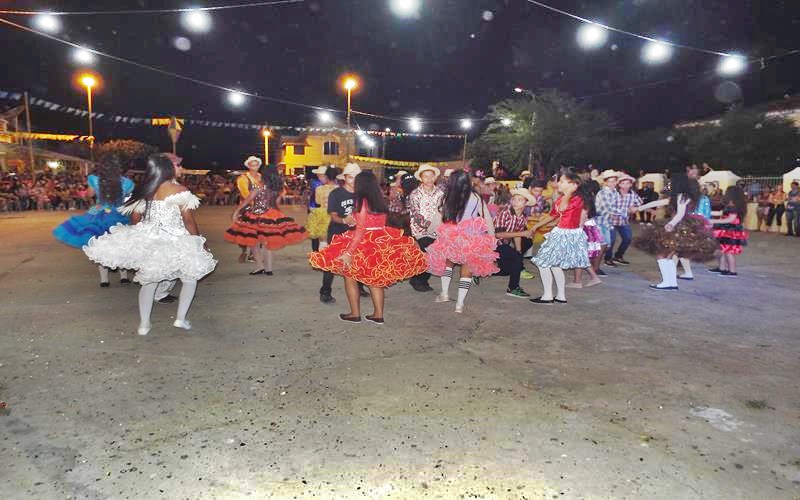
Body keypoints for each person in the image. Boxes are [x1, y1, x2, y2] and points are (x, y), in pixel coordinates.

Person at [83, 154, 217, 335]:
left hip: (152, 239)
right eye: (177, 166)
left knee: (149, 282)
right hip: (177, 239)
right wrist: (199, 241)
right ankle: (180, 319)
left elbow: (135, 218)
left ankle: (144, 324)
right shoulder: (179, 190)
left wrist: (143, 233)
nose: (180, 168)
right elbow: (188, 221)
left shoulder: (145, 190)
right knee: (189, 279)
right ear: (167, 169)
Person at [309, 171, 427, 324]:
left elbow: (360, 230)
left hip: (363, 242)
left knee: (350, 277)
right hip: (380, 240)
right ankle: (378, 315)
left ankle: (355, 314)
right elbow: (375, 222)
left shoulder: (361, 202)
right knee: (375, 279)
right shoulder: (380, 201)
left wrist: (349, 252)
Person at [53, 154, 135, 287]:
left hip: (98, 213)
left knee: (100, 245)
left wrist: (89, 194)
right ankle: (124, 277)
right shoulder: (127, 182)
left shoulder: (94, 179)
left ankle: (104, 280)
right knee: (120, 244)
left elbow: (89, 195)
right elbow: (128, 199)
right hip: (119, 214)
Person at [425, 170, 498, 313]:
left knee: (448, 263)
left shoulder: (447, 196)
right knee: (468, 267)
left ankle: (444, 294)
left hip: (451, 234)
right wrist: (492, 236)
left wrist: (429, 231)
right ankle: (459, 304)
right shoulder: (476, 197)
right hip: (472, 235)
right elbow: (487, 218)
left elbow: (438, 217)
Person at [634, 173, 717, 290]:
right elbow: (659, 203)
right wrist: (639, 208)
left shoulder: (682, 196)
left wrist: (671, 224)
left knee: (662, 255)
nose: (670, 184)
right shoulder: (685, 196)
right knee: (669, 255)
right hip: (683, 227)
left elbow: (680, 213)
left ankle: (668, 282)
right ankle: (671, 282)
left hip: (679, 228)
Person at [225, 164, 307, 275]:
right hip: (272, 214)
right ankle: (269, 269)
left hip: (256, 215)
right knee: (268, 242)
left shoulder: (259, 186)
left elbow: (248, 200)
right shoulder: (279, 189)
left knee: (253, 241)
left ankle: (259, 266)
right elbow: (276, 203)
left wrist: (237, 211)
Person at [528, 171, 590, 304]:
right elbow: (553, 215)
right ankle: (560, 296)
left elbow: (563, 208)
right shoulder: (563, 198)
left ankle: (547, 296)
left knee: (543, 263)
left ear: (573, 185)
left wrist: (567, 194)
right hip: (561, 232)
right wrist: (536, 226)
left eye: (562, 181)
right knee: (554, 265)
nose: (558, 184)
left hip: (565, 234)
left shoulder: (576, 199)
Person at [318, 163, 368, 304]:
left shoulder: (362, 194)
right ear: (345, 177)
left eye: (356, 177)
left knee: (359, 259)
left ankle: (359, 287)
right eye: (351, 177)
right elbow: (333, 215)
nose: (354, 180)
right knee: (333, 262)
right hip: (337, 231)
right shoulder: (336, 194)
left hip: (357, 233)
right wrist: (344, 220)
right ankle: (325, 291)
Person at [407, 164, 445, 292]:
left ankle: (422, 279)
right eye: (425, 176)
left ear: (435, 177)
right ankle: (418, 279)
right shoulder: (415, 194)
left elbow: (443, 210)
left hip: (437, 229)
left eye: (431, 176)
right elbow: (415, 213)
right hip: (420, 230)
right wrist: (428, 225)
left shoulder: (440, 193)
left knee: (434, 255)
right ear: (421, 178)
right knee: (426, 253)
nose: (429, 179)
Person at [493, 189, 535, 298]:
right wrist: (522, 234)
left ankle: (480, 271)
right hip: (493, 244)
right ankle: (513, 288)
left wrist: (519, 251)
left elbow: (517, 235)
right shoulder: (505, 213)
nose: (516, 202)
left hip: (503, 244)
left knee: (507, 268)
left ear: (526, 203)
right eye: (514, 199)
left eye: (520, 200)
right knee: (515, 259)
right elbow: (498, 234)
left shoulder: (522, 217)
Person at [709, 185, 749, 277]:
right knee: (722, 250)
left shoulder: (733, 206)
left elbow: (731, 219)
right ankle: (722, 268)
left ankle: (732, 271)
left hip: (730, 231)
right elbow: (723, 215)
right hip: (726, 230)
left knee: (729, 252)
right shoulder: (733, 205)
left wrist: (714, 221)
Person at [605, 173, 642, 265]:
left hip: (623, 221)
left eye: (628, 183)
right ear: (619, 184)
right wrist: (627, 210)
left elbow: (639, 203)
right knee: (611, 240)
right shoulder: (613, 193)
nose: (625, 186)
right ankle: (608, 258)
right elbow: (609, 208)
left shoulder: (632, 194)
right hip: (610, 221)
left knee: (628, 238)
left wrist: (636, 208)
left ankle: (618, 256)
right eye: (623, 183)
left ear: (631, 184)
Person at [235, 156, 264, 263]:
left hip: (260, 208)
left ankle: (253, 254)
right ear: (248, 166)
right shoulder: (243, 178)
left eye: (256, 164)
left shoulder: (262, 177)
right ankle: (244, 251)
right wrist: (254, 204)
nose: (254, 166)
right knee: (244, 232)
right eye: (252, 164)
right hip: (246, 207)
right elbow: (245, 193)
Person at [305, 167, 339, 250]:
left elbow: (318, 201)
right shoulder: (340, 189)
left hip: (322, 215)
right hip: (336, 216)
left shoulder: (319, 188)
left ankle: (320, 256)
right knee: (334, 240)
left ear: (326, 176)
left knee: (322, 241)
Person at [307, 165, 330, 251]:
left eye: (322, 175)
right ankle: (316, 251)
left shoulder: (329, 184)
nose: (320, 177)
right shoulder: (315, 183)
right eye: (319, 175)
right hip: (315, 209)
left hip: (325, 211)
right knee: (316, 234)